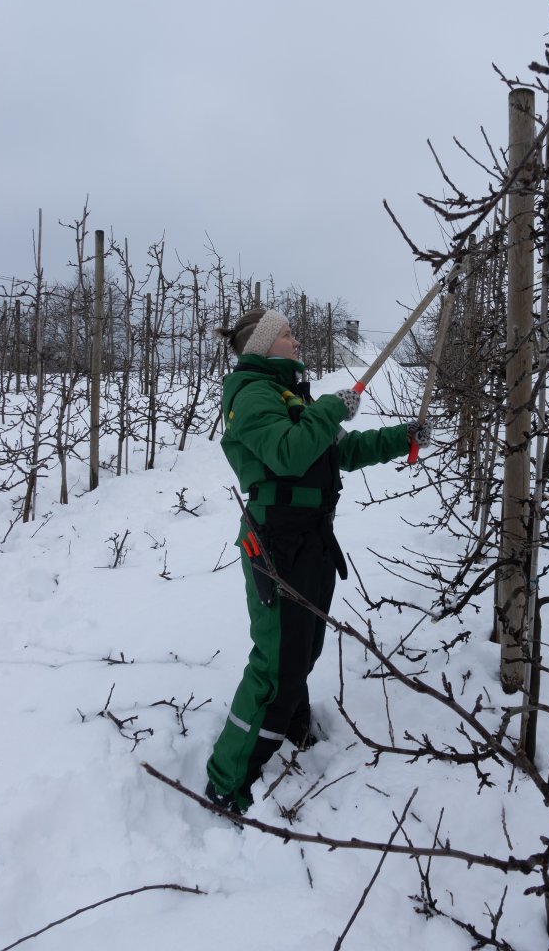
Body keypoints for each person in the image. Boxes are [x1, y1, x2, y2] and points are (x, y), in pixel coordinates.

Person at [205, 307, 432, 813]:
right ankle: (227, 779)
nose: (295, 337)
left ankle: (290, 724)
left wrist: (403, 437)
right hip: (277, 541)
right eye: (286, 332)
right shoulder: (251, 395)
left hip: (311, 538)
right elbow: (288, 453)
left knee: (302, 651)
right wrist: (329, 408)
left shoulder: (289, 394)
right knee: (276, 663)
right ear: (263, 347)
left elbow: (337, 453)